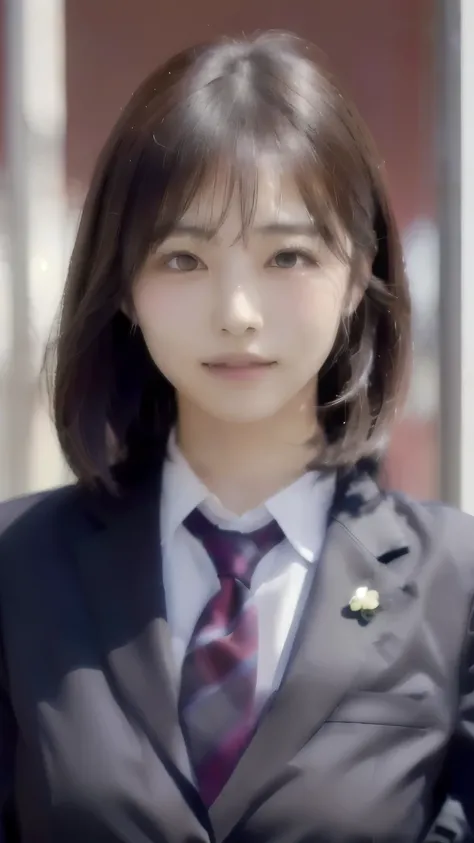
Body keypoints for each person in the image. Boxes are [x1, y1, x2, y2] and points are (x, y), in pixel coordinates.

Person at [0, 30, 472, 843]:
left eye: (287, 255)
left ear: (358, 269)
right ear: (123, 283)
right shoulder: (17, 570)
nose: (238, 312)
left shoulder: (454, 586)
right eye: (183, 259)